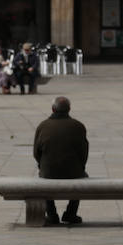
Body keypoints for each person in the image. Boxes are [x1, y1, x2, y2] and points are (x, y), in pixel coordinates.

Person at [33, 96, 87, 226]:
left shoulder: (43, 126)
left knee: (43, 179)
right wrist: (81, 167)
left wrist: (42, 165)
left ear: (52, 109)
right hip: (73, 172)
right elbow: (84, 152)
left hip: (48, 171)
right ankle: (70, 213)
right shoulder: (78, 126)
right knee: (82, 177)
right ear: (69, 109)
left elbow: (36, 152)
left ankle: (52, 215)